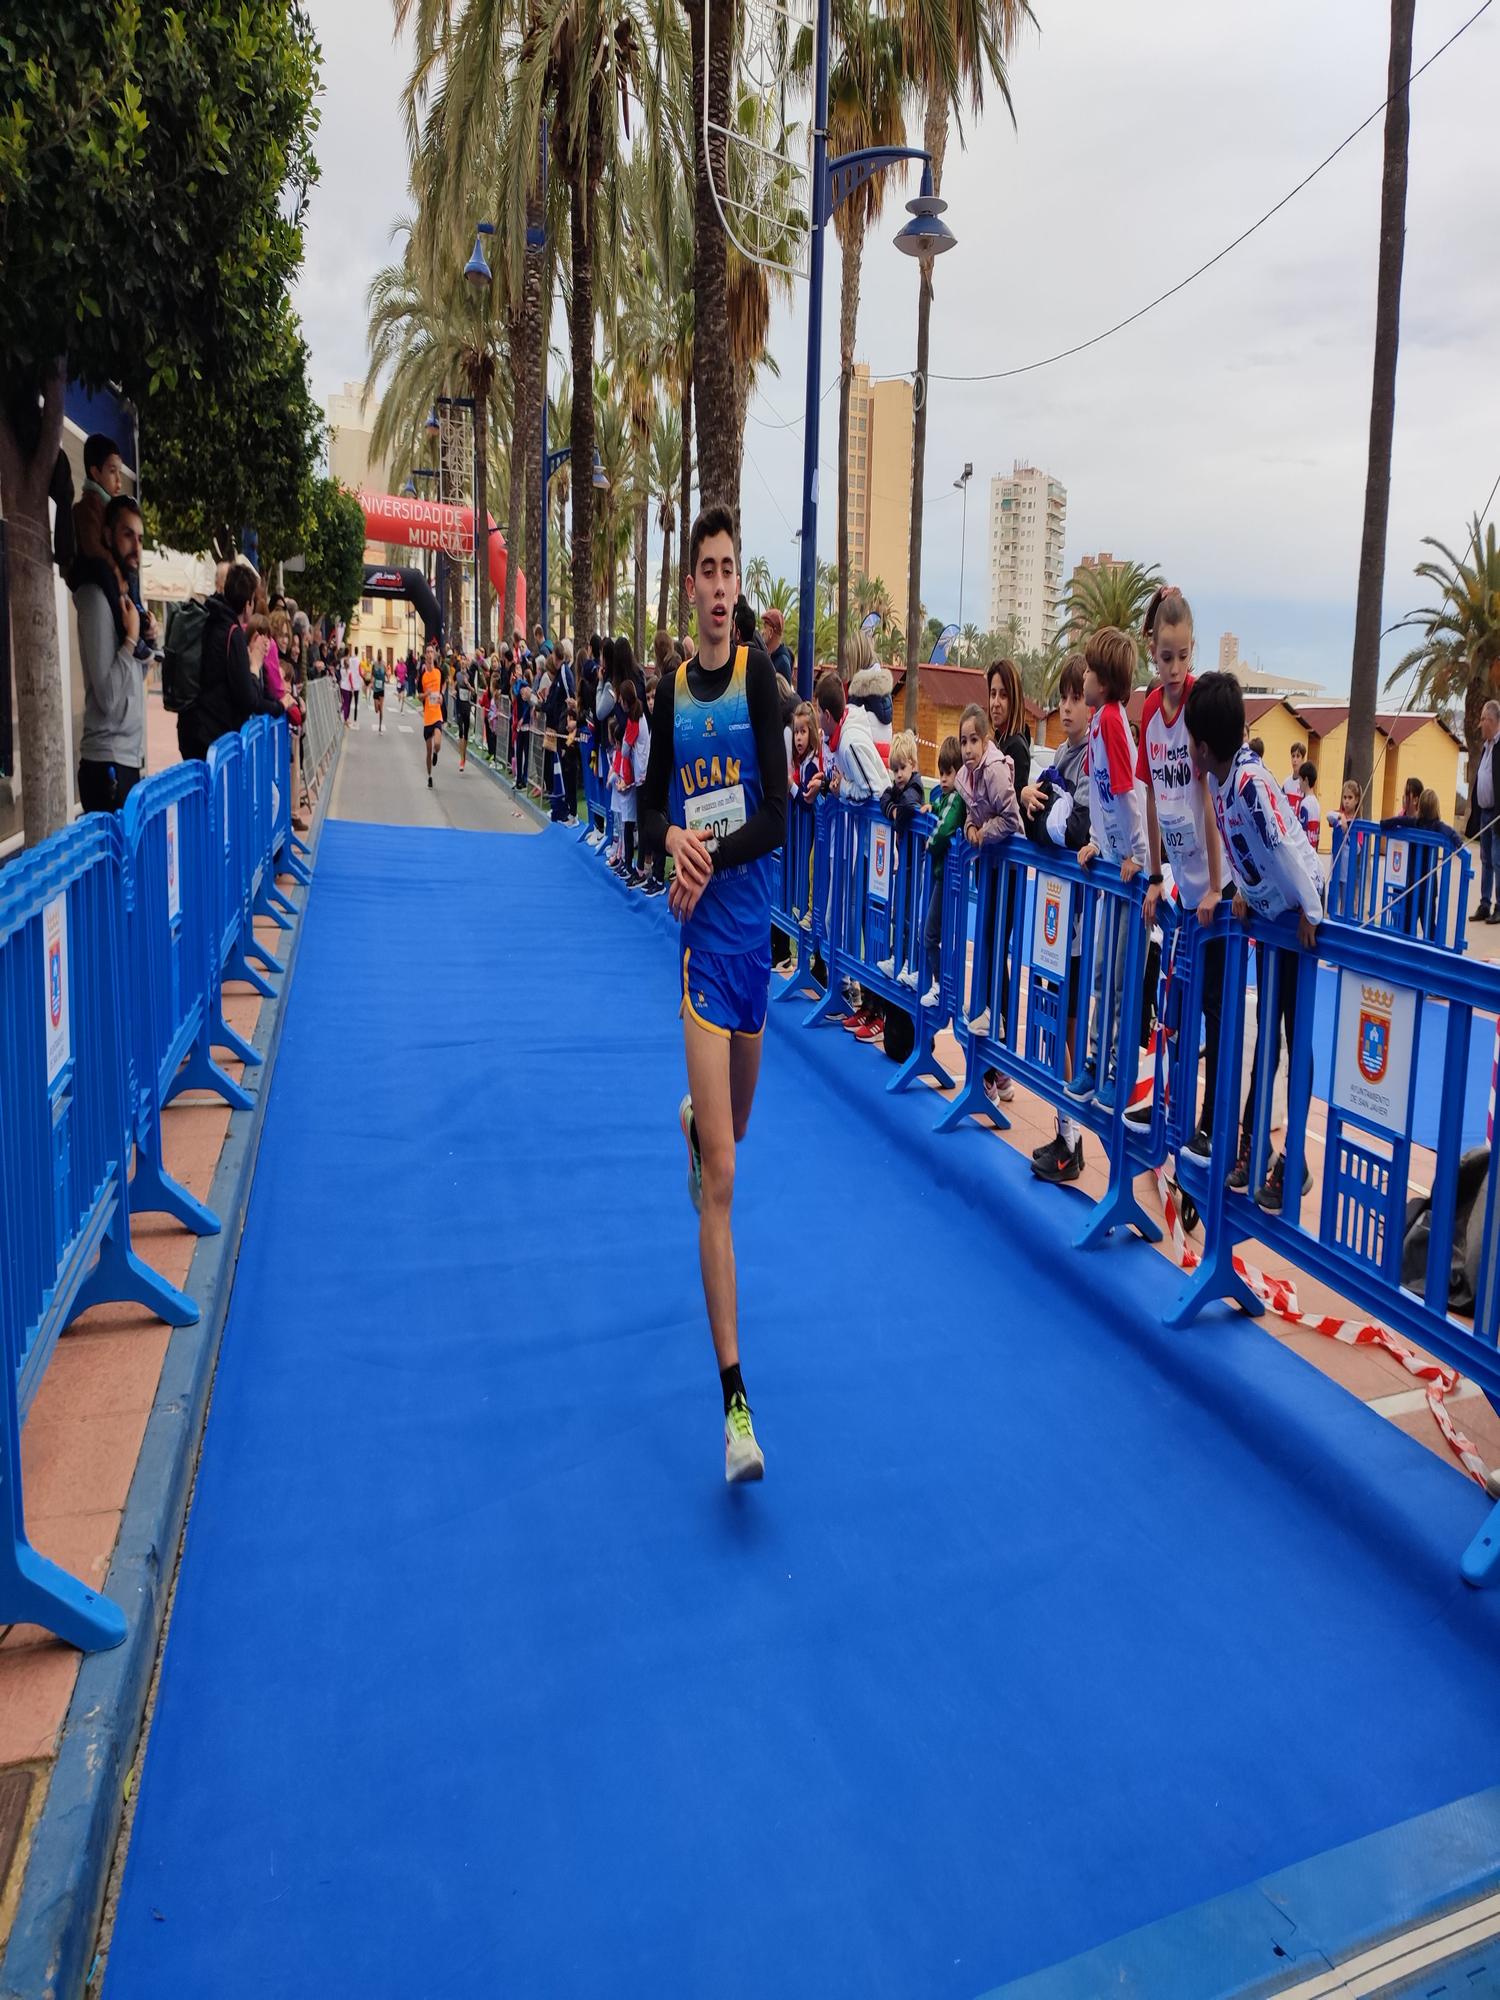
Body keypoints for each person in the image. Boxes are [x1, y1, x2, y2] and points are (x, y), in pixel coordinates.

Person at [637, 506, 788, 1483]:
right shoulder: (670, 698)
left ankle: (701, 1122)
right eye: (709, 569)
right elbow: (652, 798)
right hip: (699, 955)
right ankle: (736, 1407)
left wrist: (708, 851)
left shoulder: (761, 686)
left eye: (732, 568)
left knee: (735, 1128)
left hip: (752, 952)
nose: (722, 585)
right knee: (725, 1183)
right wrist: (667, 843)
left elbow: (776, 813)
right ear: (689, 587)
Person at [1185, 672, 1323, 1211]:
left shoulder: (1250, 783)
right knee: (1269, 1033)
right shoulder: (1222, 784)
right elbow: (1249, 852)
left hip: (1297, 920)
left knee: (1293, 1030)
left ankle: (1296, 1155)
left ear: (1201, 745)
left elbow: (1287, 846)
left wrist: (1310, 908)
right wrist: (1242, 889)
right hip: (1269, 918)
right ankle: (1257, 1143)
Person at [1132, 586, 1224, 1157]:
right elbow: (1152, 797)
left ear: (1193, 650)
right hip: (1178, 887)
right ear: (1152, 651)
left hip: (1213, 885)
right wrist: (1155, 873)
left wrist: (1215, 884)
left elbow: (1207, 799)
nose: (1173, 667)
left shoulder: (1198, 705)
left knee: (1211, 1008)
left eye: (1182, 656)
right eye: (1165, 656)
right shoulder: (1148, 710)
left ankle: (1209, 1124)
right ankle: (1169, 1105)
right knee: (1172, 1006)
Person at [1064, 627, 1149, 1112]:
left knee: (1118, 977)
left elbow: (1127, 794)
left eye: (1091, 672)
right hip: (1111, 861)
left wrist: (1135, 853)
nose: (1086, 676)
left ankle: (1114, 1067)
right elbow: (1099, 798)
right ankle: (1094, 1063)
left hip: (1128, 872)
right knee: (1099, 971)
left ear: (1106, 682)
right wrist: (1097, 840)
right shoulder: (1100, 725)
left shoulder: (1115, 723)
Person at [1022, 655, 1094, 1182]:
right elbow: (1038, 829)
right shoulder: (1060, 758)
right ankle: (1066, 1132)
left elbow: (1074, 833)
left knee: (1072, 1025)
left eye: (1076, 699)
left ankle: (1074, 1138)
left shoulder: (1092, 762)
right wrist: (1032, 802)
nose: (1067, 708)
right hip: (1053, 907)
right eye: (1063, 699)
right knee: (1055, 1015)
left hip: (1078, 918)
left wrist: (1048, 813)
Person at [816, 669, 893, 1037]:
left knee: (872, 927)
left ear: (827, 714)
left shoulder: (848, 740)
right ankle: (860, 999)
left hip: (877, 845)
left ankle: (873, 1007)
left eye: (818, 713)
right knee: (854, 921)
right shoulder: (849, 731)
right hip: (866, 843)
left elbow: (868, 789)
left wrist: (841, 787)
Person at [954, 702, 1024, 1063]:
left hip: (1009, 869)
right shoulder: (967, 775)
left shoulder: (995, 770)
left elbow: (1011, 818)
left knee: (997, 940)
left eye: (974, 741)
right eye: (963, 741)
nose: (967, 748)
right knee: (985, 937)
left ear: (986, 741)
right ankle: (987, 1008)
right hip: (988, 867)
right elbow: (971, 810)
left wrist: (985, 832)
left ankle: (999, 1017)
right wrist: (970, 827)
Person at [73, 493, 149, 813]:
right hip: (107, 764)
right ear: (108, 536)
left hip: (126, 760)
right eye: (127, 534)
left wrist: (145, 639)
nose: (136, 545)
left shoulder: (123, 596)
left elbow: (135, 677)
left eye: (140, 537)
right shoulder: (95, 598)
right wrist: (130, 639)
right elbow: (107, 696)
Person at [918, 736, 966, 1011]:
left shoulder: (958, 800)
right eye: (942, 774)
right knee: (932, 933)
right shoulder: (948, 798)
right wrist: (930, 807)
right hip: (942, 876)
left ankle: (940, 985)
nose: (944, 779)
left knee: (930, 935)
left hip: (947, 878)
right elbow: (942, 809)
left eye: (949, 773)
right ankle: (940, 983)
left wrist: (931, 842)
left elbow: (947, 827)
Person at [1469, 699, 1500, 924]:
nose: (1480, 724)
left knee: (1498, 860)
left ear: (1491, 720)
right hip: (1484, 813)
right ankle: (1484, 903)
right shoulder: (1486, 747)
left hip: (1497, 815)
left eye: (1482, 719)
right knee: (1486, 859)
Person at [421, 644, 443, 787]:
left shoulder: (439, 673)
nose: (429, 654)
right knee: (428, 750)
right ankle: (429, 776)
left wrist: (441, 697)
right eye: (427, 652)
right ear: (425, 656)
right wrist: (426, 694)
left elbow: (441, 692)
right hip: (427, 717)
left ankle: (436, 753)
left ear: (434, 655)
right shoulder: (422, 677)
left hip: (437, 714)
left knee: (437, 744)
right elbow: (419, 696)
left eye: (431, 652)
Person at [454, 652, 474, 773]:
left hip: (467, 704)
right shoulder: (457, 674)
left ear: (467, 662)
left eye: (464, 660)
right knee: (460, 730)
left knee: (466, 732)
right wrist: (453, 691)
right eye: (461, 659)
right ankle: (461, 759)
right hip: (459, 705)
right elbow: (454, 686)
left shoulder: (470, 674)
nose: (462, 661)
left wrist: (468, 685)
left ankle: (463, 756)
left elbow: (474, 690)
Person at [1294, 761, 1321, 850]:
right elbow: (1317, 832)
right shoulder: (1317, 804)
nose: (1299, 783)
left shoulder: (1305, 804)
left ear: (1305, 780)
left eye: (1300, 780)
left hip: (1305, 854)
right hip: (1313, 851)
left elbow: (1302, 832)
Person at [763, 606, 793, 683]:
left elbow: (784, 694)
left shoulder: (782, 663)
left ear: (770, 632)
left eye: (764, 627)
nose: (762, 632)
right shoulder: (771, 656)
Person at [371, 653, 387, 733]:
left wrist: (387, 678)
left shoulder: (384, 664)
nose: (379, 656)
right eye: (379, 655)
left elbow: (387, 674)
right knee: (376, 710)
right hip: (375, 689)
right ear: (378, 656)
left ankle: (380, 726)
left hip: (381, 689)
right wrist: (371, 683)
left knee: (381, 709)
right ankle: (379, 705)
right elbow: (372, 675)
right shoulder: (374, 664)